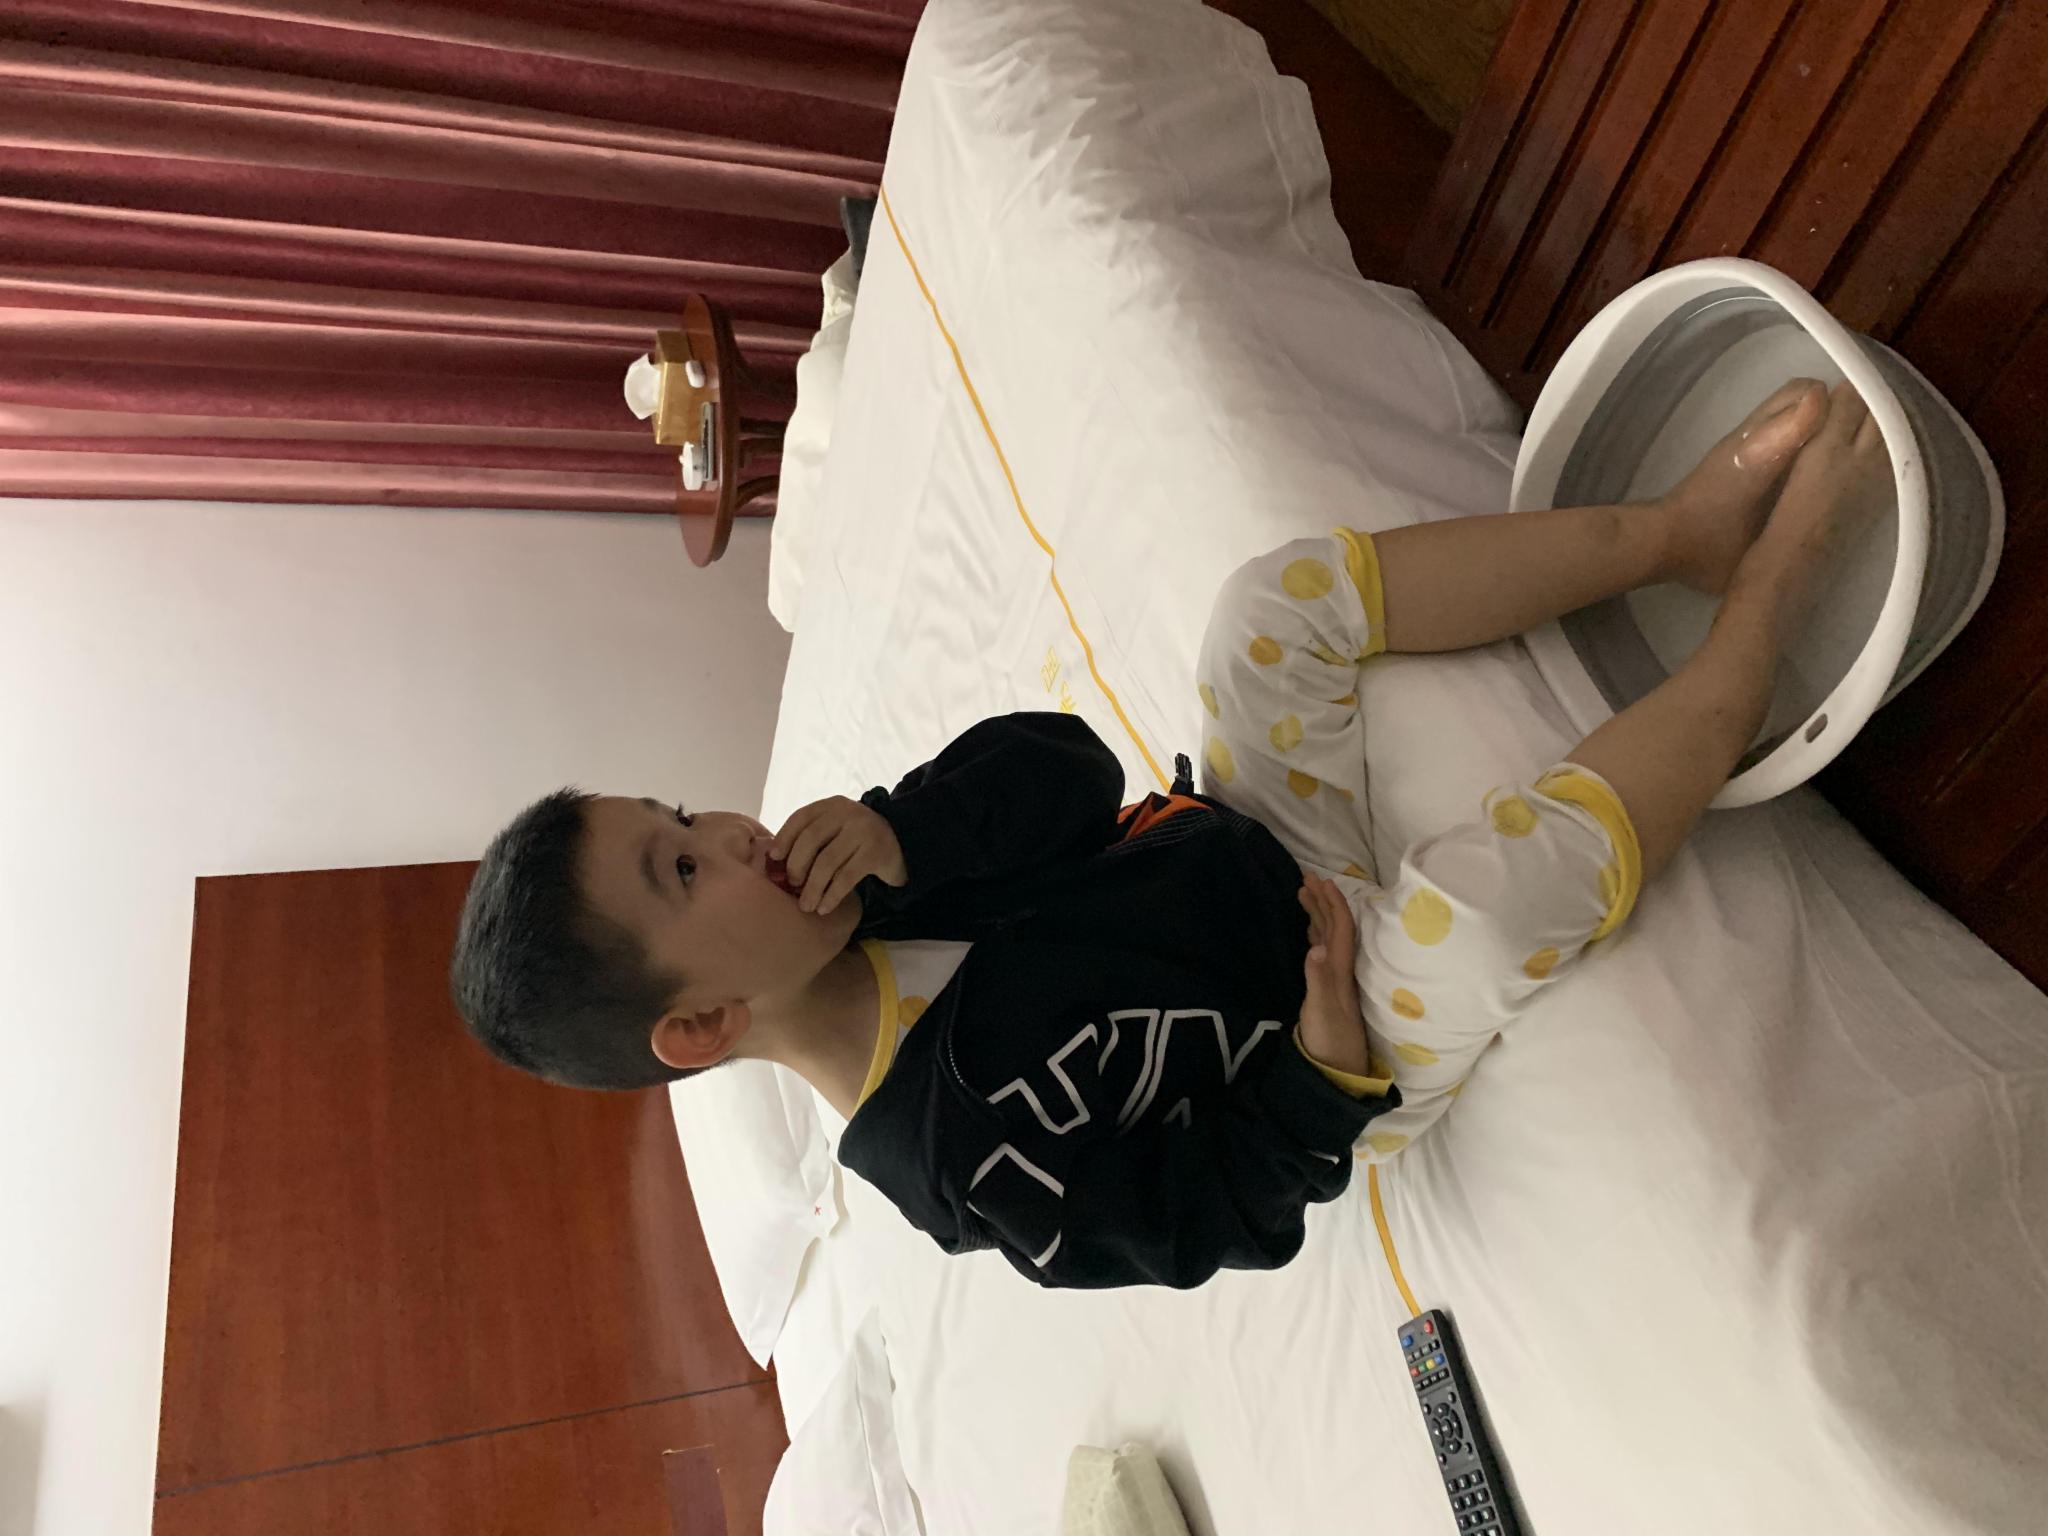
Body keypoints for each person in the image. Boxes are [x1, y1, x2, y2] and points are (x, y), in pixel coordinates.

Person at [450, 379, 1888, 1289]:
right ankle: (1754, 641)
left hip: (1242, 840)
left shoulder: (871, 875)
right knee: (1475, 919)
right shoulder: (966, 1170)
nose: (729, 831)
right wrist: (1322, 1067)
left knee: (1263, 609)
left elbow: (1073, 772)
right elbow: (1217, 1214)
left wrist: (908, 827)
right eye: (681, 867)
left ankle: (1675, 534)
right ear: (700, 1024)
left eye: (683, 813)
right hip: (1318, 1029)